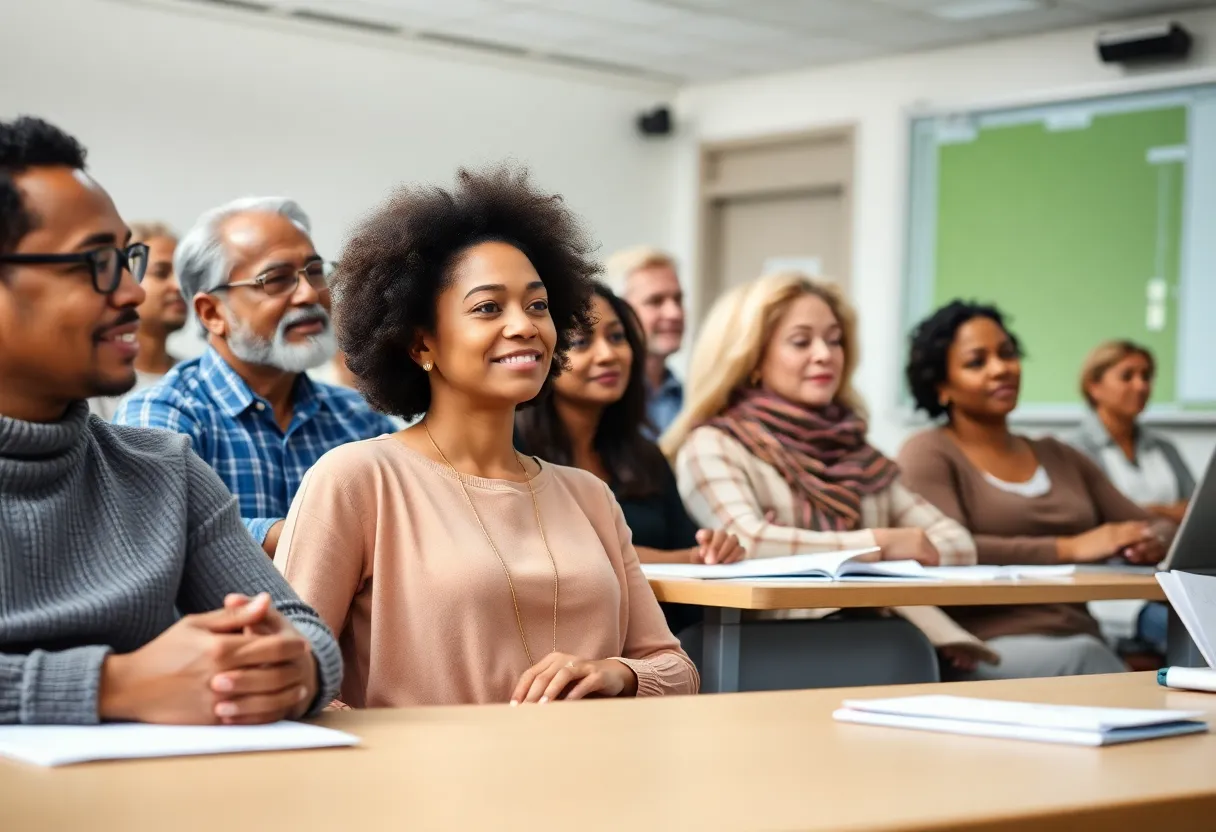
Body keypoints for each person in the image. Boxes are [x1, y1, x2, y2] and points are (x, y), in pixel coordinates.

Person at [274, 167, 699, 707]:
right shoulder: (356, 481)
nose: (524, 325)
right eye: (487, 307)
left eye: (539, 305)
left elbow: (675, 667)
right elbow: (291, 680)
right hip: (423, 786)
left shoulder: (588, 496)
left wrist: (618, 674)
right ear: (420, 344)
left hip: (589, 778)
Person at [0, 115, 340, 725]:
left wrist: (295, 669)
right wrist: (114, 684)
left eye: (125, 258)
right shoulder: (173, 417)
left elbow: (304, 631)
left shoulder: (161, 469)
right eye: (94, 263)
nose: (131, 292)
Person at [663, 273, 989, 668]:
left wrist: (803, 549)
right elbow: (747, 540)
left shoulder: (858, 454)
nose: (825, 354)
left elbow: (958, 544)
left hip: (887, 645)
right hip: (771, 657)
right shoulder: (713, 444)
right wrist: (881, 544)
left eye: (834, 340)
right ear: (751, 358)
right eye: (801, 342)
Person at [899, 301, 1173, 680]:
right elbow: (945, 550)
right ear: (941, 386)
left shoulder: (1059, 454)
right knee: (1095, 664)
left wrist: (1153, 539)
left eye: (1007, 354)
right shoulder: (929, 452)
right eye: (977, 362)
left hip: (1082, 637)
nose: (1001, 368)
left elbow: (1154, 526)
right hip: (984, 647)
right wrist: (1069, 548)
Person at [114, 197, 398, 557]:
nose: (309, 293)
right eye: (276, 280)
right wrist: (326, 534)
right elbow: (158, 528)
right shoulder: (160, 415)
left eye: (314, 271)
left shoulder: (358, 417)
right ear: (212, 312)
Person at [515, 282, 743, 634]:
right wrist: (684, 559)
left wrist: (716, 548)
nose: (608, 354)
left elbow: (694, 550)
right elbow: (566, 554)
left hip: (656, 642)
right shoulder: (513, 446)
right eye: (581, 342)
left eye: (618, 337)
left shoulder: (643, 455)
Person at [1070, 339, 1195, 655]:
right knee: (1189, 631)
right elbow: (1096, 524)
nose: (1141, 386)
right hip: (1118, 594)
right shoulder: (1073, 450)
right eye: (1127, 376)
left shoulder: (1164, 448)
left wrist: (1145, 512)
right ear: (1094, 386)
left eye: (1147, 376)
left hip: (1174, 579)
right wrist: (1169, 513)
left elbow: (1197, 515)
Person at [88, 221, 186, 420]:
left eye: (183, 275)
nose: (178, 286)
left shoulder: (196, 377)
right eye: (161, 273)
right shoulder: (96, 382)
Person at [605, 246, 684, 435]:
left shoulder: (693, 398)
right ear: (618, 312)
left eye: (678, 299)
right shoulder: (603, 400)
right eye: (655, 301)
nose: (675, 313)